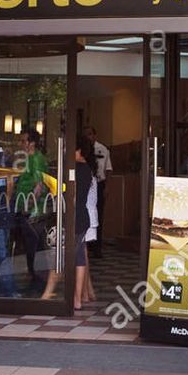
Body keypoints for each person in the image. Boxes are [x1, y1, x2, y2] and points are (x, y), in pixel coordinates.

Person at [12, 129, 49, 286]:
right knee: (30, 245)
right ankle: (35, 278)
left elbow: (39, 185)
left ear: (32, 142)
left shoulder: (37, 159)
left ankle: (39, 281)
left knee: (35, 246)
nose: (21, 144)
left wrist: (28, 207)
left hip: (33, 210)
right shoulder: (29, 158)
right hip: (25, 207)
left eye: (23, 140)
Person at [72, 135, 99, 310]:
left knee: (76, 256)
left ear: (79, 151)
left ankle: (77, 297)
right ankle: (79, 297)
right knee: (81, 255)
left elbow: (73, 197)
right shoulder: (87, 170)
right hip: (84, 216)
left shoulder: (77, 169)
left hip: (76, 215)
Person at [84, 125, 112, 260]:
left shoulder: (103, 149)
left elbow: (108, 169)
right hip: (86, 184)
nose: (88, 137)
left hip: (99, 183)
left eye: (90, 134)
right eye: (86, 134)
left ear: (94, 135)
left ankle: (97, 247)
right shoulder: (82, 150)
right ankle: (86, 245)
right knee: (86, 213)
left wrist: (107, 187)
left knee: (98, 215)